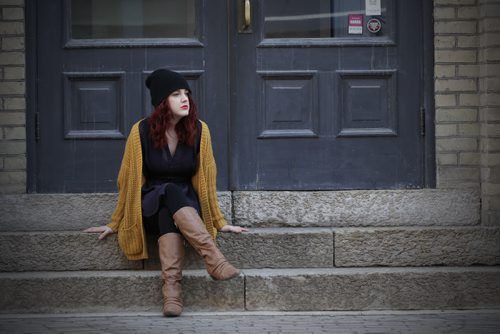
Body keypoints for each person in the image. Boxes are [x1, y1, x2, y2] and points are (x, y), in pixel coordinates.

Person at [84, 68, 247, 317]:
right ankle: (213, 259)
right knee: (166, 193)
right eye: (175, 94)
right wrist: (115, 222)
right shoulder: (140, 132)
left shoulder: (200, 131)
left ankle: (172, 295)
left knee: (168, 208)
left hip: (184, 208)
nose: (185, 99)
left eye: (186, 93)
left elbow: (206, 179)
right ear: (162, 101)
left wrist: (218, 221)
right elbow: (127, 181)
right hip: (148, 202)